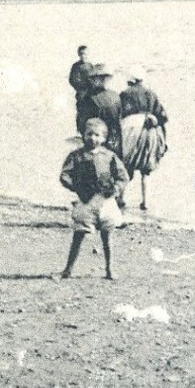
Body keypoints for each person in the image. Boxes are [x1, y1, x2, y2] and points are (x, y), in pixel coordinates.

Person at [58, 118, 130, 280]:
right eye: (89, 134)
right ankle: (68, 269)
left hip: (106, 201)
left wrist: (116, 189)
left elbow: (123, 176)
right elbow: (65, 175)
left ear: (104, 138)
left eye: (97, 135)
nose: (93, 138)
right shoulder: (76, 156)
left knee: (107, 235)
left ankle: (110, 269)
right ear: (83, 135)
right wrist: (75, 186)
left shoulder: (110, 156)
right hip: (86, 201)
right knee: (79, 234)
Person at [118, 67, 169, 211]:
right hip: (150, 130)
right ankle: (145, 201)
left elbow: (119, 114)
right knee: (146, 168)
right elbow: (162, 116)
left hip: (131, 129)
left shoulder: (125, 94)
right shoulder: (151, 93)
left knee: (126, 163)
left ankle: (121, 198)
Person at [76, 65, 122, 151]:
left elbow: (82, 123)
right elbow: (119, 120)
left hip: (96, 140)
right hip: (114, 140)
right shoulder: (115, 96)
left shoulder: (89, 97)